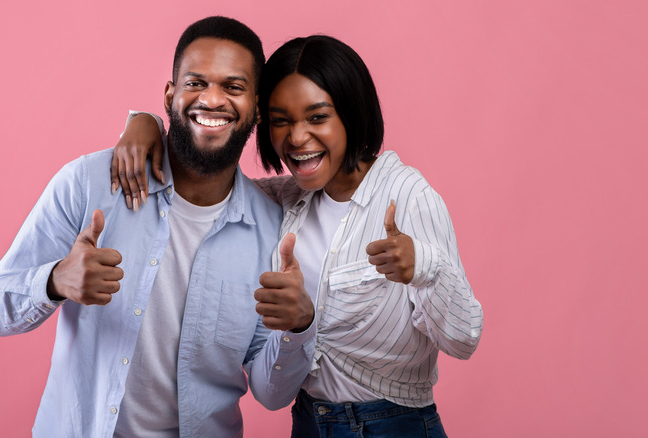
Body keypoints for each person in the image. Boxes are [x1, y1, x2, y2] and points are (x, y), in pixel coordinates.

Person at [112, 35, 483, 437]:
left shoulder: (409, 197)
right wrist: (145, 122)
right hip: (309, 423)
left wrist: (424, 267)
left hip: (394, 426)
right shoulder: (284, 200)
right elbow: (206, 181)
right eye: (281, 120)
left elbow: (464, 340)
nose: (297, 137)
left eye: (317, 117)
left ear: (352, 114)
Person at [0, 16, 317, 438]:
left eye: (233, 87)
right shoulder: (89, 183)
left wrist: (300, 327)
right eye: (195, 83)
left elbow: (271, 394)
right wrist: (54, 280)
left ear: (257, 107)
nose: (212, 100)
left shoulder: (272, 231)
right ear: (169, 94)